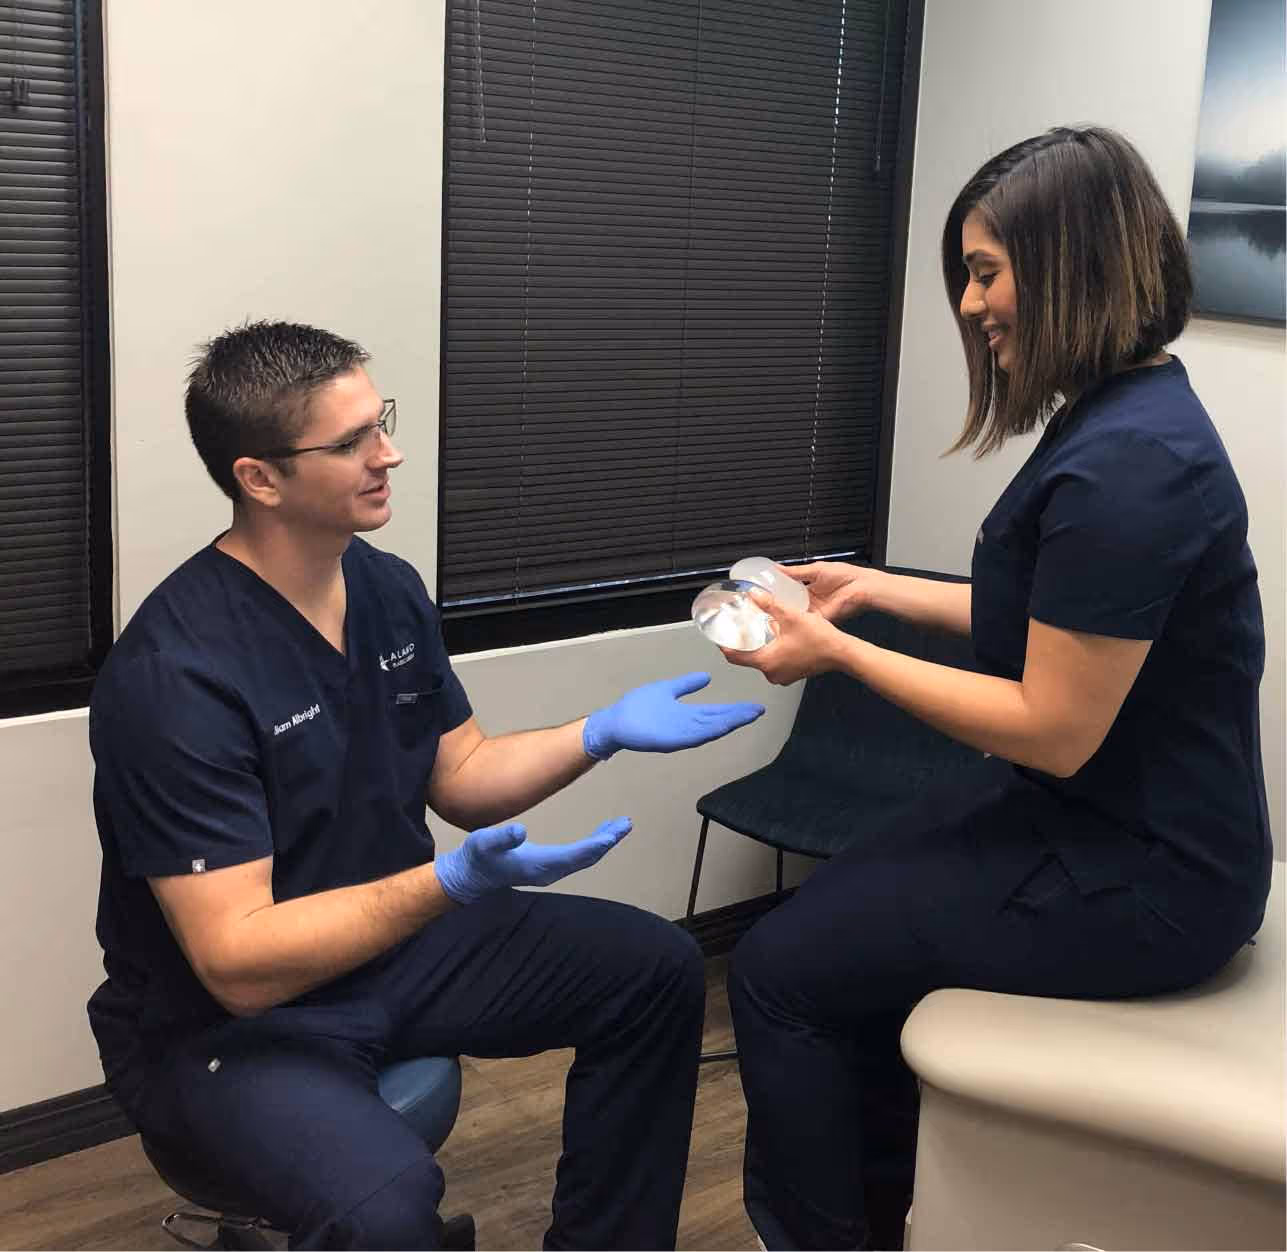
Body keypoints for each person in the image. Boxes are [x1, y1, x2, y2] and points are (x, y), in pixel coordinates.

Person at [86, 320, 764, 1251]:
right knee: (387, 1209)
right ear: (261, 478)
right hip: (225, 1023)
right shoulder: (175, 674)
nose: (389, 453)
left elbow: (463, 776)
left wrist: (599, 732)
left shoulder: (388, 588)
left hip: (396, 950)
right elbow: (237, 965)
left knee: (655, 971)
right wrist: (447, 885)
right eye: (353, 440)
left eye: (382, 421)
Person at [718, 126, 1273, 1250]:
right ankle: (882, 1212)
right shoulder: (1124, 414)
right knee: (834, 931)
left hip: (1151, 873)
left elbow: (1053, 726)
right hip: (1087, 818)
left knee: (776, 972)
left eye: (985, 271)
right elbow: (1060, 627)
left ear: (1074, 261)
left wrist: (836, 654)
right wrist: (873, 592)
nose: (970, 305)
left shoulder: (1132, 467)